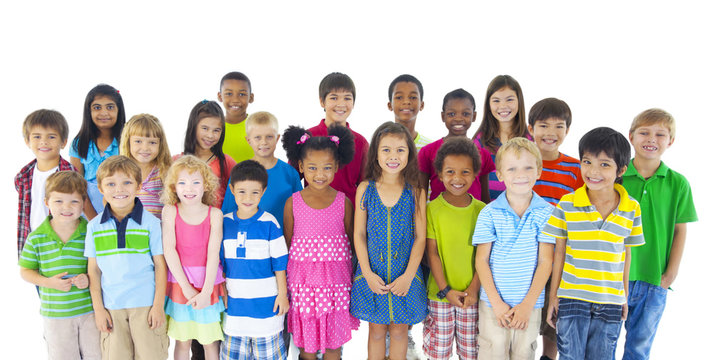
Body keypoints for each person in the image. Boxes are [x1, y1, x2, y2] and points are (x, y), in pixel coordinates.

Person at [544, 127, 645, 360]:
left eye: (604, 164)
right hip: (572, 299)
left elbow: (625, 255)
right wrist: (553, 298)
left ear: (621, 170)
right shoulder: (566, 204)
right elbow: (559, 252)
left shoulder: (632, 208)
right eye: (587, 162)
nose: (593, 171)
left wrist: (624, 296)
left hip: (610, 302)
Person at [617, 109, 697, 360]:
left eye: (660, 134)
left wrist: (670, 273)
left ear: (670, 141)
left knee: (639, 348)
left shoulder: (678, 183)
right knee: (603, 344)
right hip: (612, 277)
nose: (652, 139)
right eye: (644, 132)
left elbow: (680, 229)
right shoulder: (615, 177)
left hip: (654, 279)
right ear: (631, 136)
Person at [351, 121, 428, 360]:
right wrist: (367, 272)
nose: (393, 156)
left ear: (409, 154)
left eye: (400, 150)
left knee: (399, 330)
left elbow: (420, 237)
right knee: (375, 331)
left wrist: (407, 276)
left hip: (405, 276)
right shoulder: (366, 189)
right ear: (375, 154)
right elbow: (359, 234)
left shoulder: (415, 192)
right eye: (386, 149)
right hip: (372, 275)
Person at [473, 137, 555, 360]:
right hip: (493, 303)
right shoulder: (489, 213)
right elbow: (481, 260)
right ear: (499, 175)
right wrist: (497, 303)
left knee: (523, 354)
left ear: (538, 171)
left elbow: (546, 261)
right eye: (512, 168)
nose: (521, 174)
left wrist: (527, 305)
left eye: (528, 167)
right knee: (492, 351)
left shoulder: (547, 213)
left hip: (529, 304)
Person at [282, 124, 360, 360]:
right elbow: (287, 245)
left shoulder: (343, 202)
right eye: (313, 168)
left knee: (334, 347)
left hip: (336, 286)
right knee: (306, 346)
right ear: (301, 167)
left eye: (327, 167)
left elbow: (352, 243)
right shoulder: (293, 202)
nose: (320, 174)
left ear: (336, 167)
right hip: (303, 286)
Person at [85, 155, 169, 359]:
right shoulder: (94, 226)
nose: (119, 189)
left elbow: (160, 266)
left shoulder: (150, 223)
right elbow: (93, 271)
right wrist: (99, 309)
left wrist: (158, 306)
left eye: (127, 182)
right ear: (101, 188)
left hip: (146, 305)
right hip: (112, 307)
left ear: (138, 186)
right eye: (111, 184)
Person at [19, 171, 100, 360]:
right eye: (59, 201)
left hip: (89, 311)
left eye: (74, 201)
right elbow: (25, 271)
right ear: (47, 202)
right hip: (56, 314)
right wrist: (48, 282)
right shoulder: (37, 237)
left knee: (96, 354)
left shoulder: (90, 232)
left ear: (83, 204)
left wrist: (86, 278)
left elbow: (99, 266)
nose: (66, 207)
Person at [526, 97, 583, 360]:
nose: (550, 133)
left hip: (560, 251)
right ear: (530, 128)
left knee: (554, 312)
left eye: (559, 126)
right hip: (525, 253)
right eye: (543, 125)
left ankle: (549, 357)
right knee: (527, 310)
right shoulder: (523, 163)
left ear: (568, 131)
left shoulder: (574, 168)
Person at [422, 137, 485, 360]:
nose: (457, 178)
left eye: (465, 172)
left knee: (471, 353)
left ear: (475, 173)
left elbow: (484, 257)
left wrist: (474, 289)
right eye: (450, 172)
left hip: (472, 296)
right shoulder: (432, 210)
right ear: (439, 174)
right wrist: (446, 290)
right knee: (438, 352)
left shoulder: (482, 211)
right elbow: (433, 254)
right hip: (439, 296)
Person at [221, 160, 290, 360]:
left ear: (263, 191)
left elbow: (280, 263)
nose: (248, 198)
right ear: (232, 189)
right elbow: (221, 264)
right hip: (235, 311)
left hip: (267, 310)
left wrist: (283, 294)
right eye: (242, 191)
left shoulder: (269, 223)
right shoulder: (224, 222)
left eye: (254, 192)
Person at [162, 156, 226, 360]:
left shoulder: (215, 214)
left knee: (209, 341)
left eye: (196, 182)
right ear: (174, 186)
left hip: (208, 282)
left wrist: (206, 292)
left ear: (206, 185)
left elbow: (213, 254)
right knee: (182, 341)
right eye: (182, 183)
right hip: (180, 283)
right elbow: (169, 249)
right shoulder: (170, 211)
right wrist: (186, 287)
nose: (189, 188)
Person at [221, 111, 302, 228]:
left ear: (277, 138)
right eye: (257, 138)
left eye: (269, 137)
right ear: (248, 140)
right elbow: (228, 213)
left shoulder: (290, 173)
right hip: (247, 241)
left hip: (281, 242)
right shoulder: (239, 173)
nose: (263, 142)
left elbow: (300, 212)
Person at [16, 109, 76, 258]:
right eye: (37, 136)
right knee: (39, 280)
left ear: (63, 142)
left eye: (51, 136)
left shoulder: (70, 174)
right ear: (27, 141)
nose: (44, 141)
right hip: (33, 243)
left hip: (62, 243)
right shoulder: (23, 176)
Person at [418, 88, 495, 202]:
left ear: (474, 116)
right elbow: (421, 195)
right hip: (438, 218)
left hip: (474, 219)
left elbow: (485, 198)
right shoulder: (427, 151)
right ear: (443, 116)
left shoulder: (483, 154)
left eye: (465, 114)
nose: (458, 118)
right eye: (452, 114)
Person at [305, 72, 369, 204]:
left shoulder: (361, 142)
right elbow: (293, 179)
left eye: (347, 98)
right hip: (312, 213)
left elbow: (366, 186)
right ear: (322, 101)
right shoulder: (307, 137)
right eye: (334, 98)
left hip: (349, 217)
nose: (341, 104)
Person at [70, 84, 126, 216]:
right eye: (97, 107)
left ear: (119, 110)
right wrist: (93, 219)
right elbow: (76, 185)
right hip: (88, 214)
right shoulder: (79, 143)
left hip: (121, 213)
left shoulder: (127, 142)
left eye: (110, 107)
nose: (104, 112)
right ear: (89, 111)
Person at [474, 75, 530, 201]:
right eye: (496, 101)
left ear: (519, 101)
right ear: (488, 104)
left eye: (509, 99)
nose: (503, 106)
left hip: (522, 212)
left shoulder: (530, 141)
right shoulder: (479, 141)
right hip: (487, 213)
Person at [177, 100, 237, 207]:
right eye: (205, 128)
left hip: (217, 222)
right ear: (193, 127)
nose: (210, 135)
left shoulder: (226, 163)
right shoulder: (177, 162)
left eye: (216, 130)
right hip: (184, 221)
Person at [119, 113, 172, 218]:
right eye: (138, 141)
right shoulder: (121, 171)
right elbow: (107, 199)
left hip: (158, 230)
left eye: (152, 142)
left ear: (160, 144)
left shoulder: (164, 170)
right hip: (130, 231)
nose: (145, 148)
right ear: (128, 142)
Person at [387, 74, 432, 151]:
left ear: (422, 105)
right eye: (399, 97)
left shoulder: (430, 148)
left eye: (413, 97)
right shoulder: (380, 145)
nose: (406, 102)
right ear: (390, 105)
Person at [217, 71, 255, 163]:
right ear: (220, 96)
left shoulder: (257, 126)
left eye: (242, 94)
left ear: (251, 97)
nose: (235, 100)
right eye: (229, 94)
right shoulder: (214, 127)